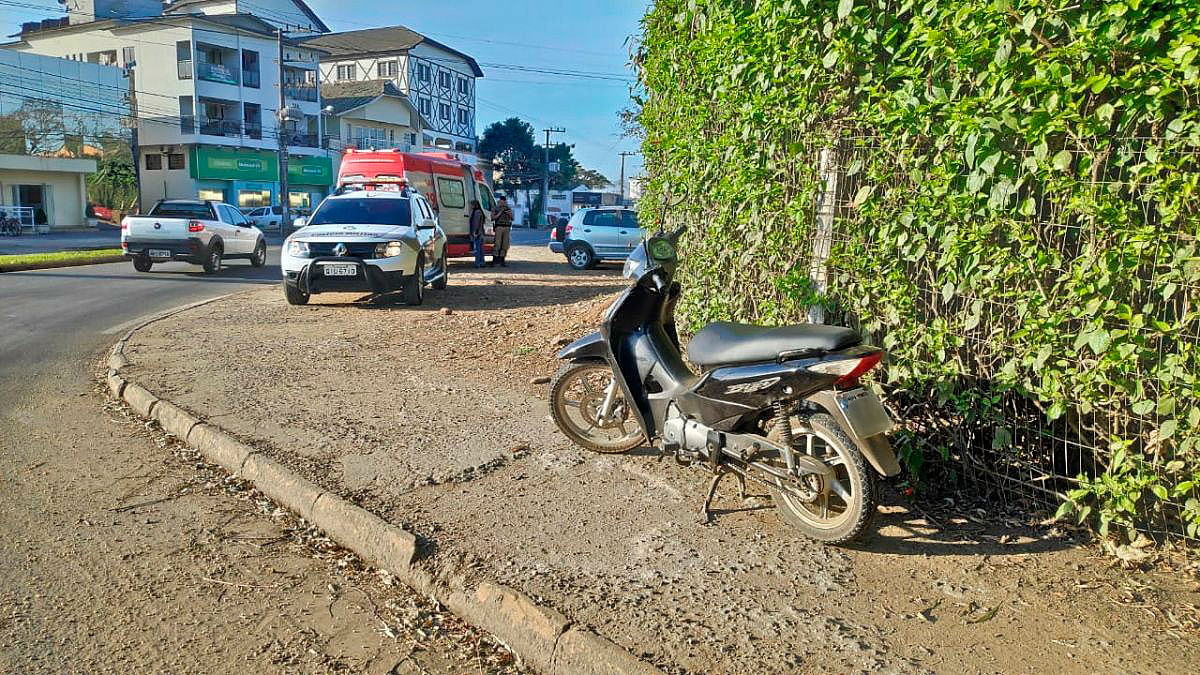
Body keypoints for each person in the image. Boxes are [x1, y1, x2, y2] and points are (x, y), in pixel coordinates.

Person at [490, 194, 514, 267]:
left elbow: (512, 218)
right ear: (499, 202)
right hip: (499, 227)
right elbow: (493, 218)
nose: (502, 203)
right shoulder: (496, 208)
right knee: (497, 243)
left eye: (504, 202)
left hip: (506, 227)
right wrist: (500, 212)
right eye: (501, 202)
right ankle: (495, 260)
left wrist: (509, 214)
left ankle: (502, 260)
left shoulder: (508, 208)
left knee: (505, 244)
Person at [468, 199, 486, 268]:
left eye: (471, 205)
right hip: (480, 233)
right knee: (481, 249)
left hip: (478, 233)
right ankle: (482, 262)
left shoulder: (476, 212)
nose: (471, 206)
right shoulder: (479, 212)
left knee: (477, 249)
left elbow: (476, 223)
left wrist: (475, 232)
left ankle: (478, 263)